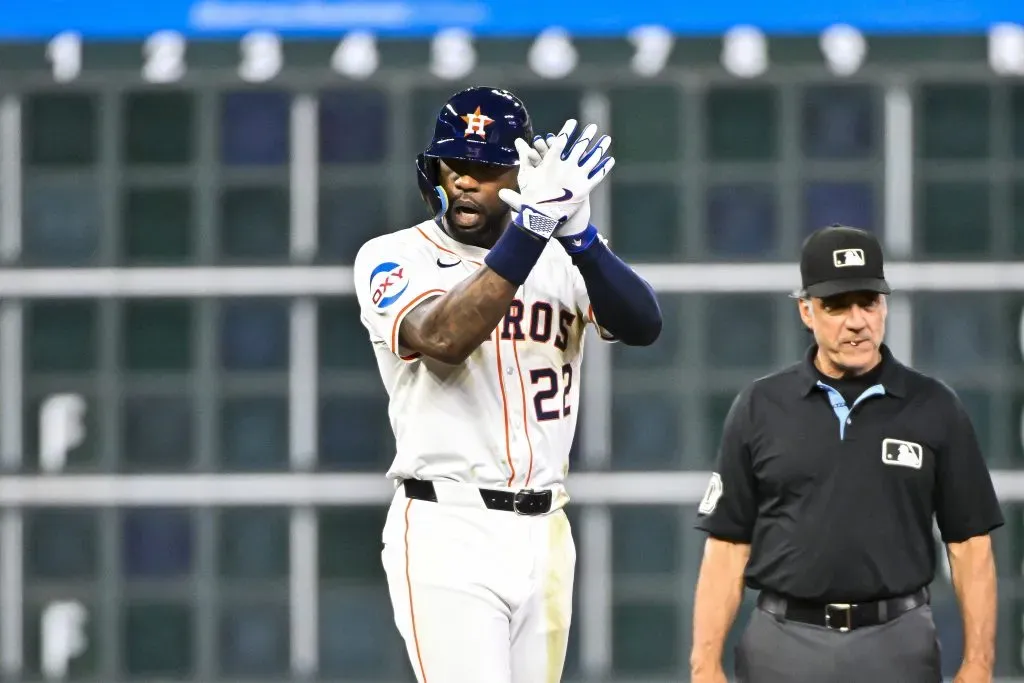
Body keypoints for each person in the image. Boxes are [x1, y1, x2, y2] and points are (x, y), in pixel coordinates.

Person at [353, 86, 662, 683]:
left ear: (520, 173)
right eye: (456, 165)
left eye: (487, 168)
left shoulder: (557, 257)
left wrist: (581, 241)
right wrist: (534, 228)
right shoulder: (391, 256)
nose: (467, 181)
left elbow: (643, 325)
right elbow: (441, 338)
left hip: (545, 529)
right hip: (448, 524)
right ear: (432, 169)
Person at [690, 224, 1003, 683]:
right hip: (783, 645)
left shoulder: (934, 406)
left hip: (898, 645)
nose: (856, 320)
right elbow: (727, 545)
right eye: (836, 305)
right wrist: (704, 666)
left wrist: (979, 664)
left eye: (868, 302)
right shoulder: (760, 406)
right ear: (806, 311)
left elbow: (971, 545)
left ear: (885, 305)